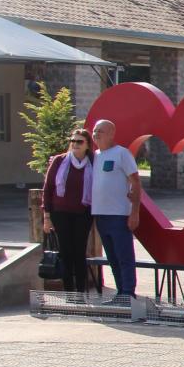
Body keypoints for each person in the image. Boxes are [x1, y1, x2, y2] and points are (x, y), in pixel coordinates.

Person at [88, 119, 141, 299]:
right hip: (100, 215)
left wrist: (135, 212)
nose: (96, 134)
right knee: (112, 257)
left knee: (124, 256)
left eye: (100, 131)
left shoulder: (122, 154)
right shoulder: (94, 156)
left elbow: (135, 182)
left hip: (119, 215)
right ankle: (120, 292)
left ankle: (128, 292)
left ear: (112, 133)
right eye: (94, 131)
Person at [41, 127, 96, 293]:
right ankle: (68, 291)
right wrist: (47, 216)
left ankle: (80, 291)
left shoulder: (94, 161)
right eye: (73, 141)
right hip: (61, 213)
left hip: (83, 213)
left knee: (79, 251)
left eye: (79, 141)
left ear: (87, 144)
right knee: (65, 252)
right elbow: (48, 188)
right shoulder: (59, 161)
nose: (75, 144)